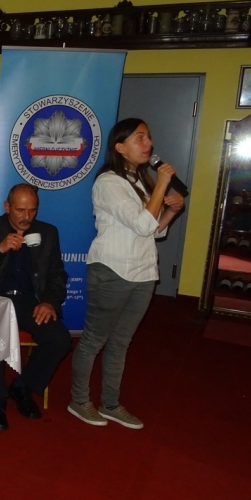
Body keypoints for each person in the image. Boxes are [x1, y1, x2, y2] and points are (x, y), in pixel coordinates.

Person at [67, 118, 184, 430]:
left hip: (143, 272)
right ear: (120, 147)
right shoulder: (109, 183)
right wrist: (162, 183)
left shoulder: (139, 181)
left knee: (121, 342)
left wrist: (171, 211)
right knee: (94, 340)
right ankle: (79, 400)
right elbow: (143, 224)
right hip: (112, 271)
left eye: (149, 137)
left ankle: (111, 404)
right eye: (140, 138)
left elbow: (153, 231)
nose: (149, 144)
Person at [0, 184, 71, 430]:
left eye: (32, 210)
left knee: (60, 339)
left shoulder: (47, 233)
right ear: (7, 207)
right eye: (20, 210)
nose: (27, 217)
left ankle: (23, 386)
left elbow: (57, 275)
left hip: (28, 302)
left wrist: (49, 302)